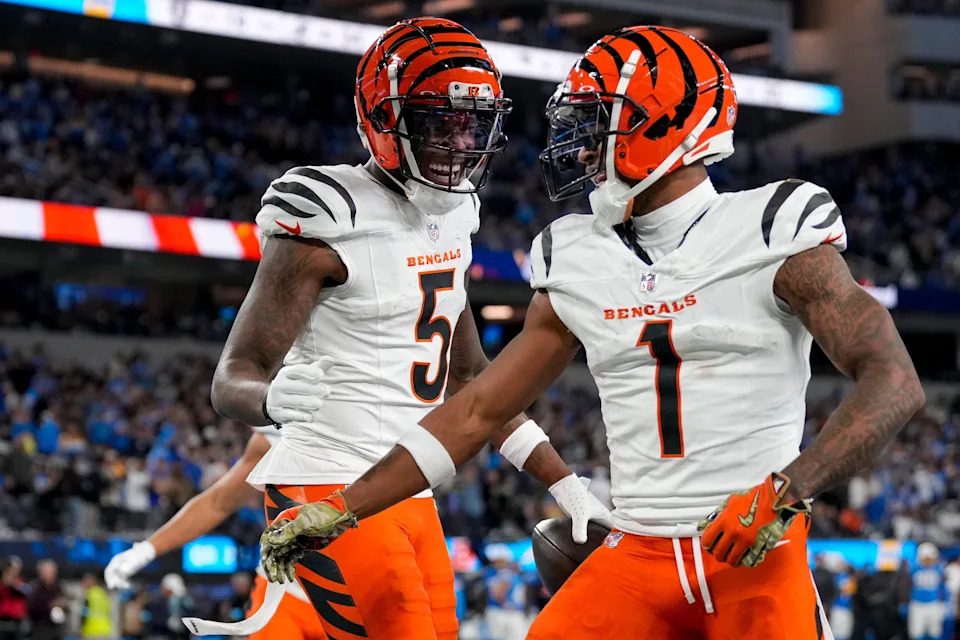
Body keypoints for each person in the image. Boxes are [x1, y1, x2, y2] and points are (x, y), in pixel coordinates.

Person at [260, 25, 926, 640]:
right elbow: (477, 409)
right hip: (634, 555)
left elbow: (894, 380)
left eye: (597, 122)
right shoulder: (575, 254)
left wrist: (787, 491)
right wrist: (343, 508)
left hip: (753, 558)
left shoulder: (775, 227)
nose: (578, 145)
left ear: (662, 125)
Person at [211, 16, 610, 640]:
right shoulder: (327, 213)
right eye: (437, 121)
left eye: (471, 124)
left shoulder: (454, 218)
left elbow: (476, 380)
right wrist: (268, 400)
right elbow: (232, 377)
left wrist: (564, 483)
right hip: (325, 481)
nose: (458, 142)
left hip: (408, 489)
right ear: (384, 118)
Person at [103, 431, 326, 640]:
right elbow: (218, 503)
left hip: (355, 590)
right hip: (285, 594)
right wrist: (146, 549)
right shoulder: (285, 424)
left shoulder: (356, 417)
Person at [483, 546, 529, 640]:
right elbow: (498, 593)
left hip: (514, 612)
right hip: (499, 612)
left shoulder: (514, 574)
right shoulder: (490, 573)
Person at [908, 543, 948, 640]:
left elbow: (942, 588)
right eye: (926, 558)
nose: (928, 561)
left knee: (935, 632)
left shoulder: (939, 569)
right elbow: (907, 587)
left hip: (934, 603)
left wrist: (944, 602)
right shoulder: (913, 569)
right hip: (917, 604)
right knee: (916, 633)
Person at [26, 559, 68, 640]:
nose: (51, 574)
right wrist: (50, 605)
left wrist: (64, 605)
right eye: (47, 571)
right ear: (41, 572)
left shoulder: (59, 587)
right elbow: (31, 608)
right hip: (41, 630)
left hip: (57, 630)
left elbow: (66, 605)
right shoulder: (35, 588)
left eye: (52, 571)